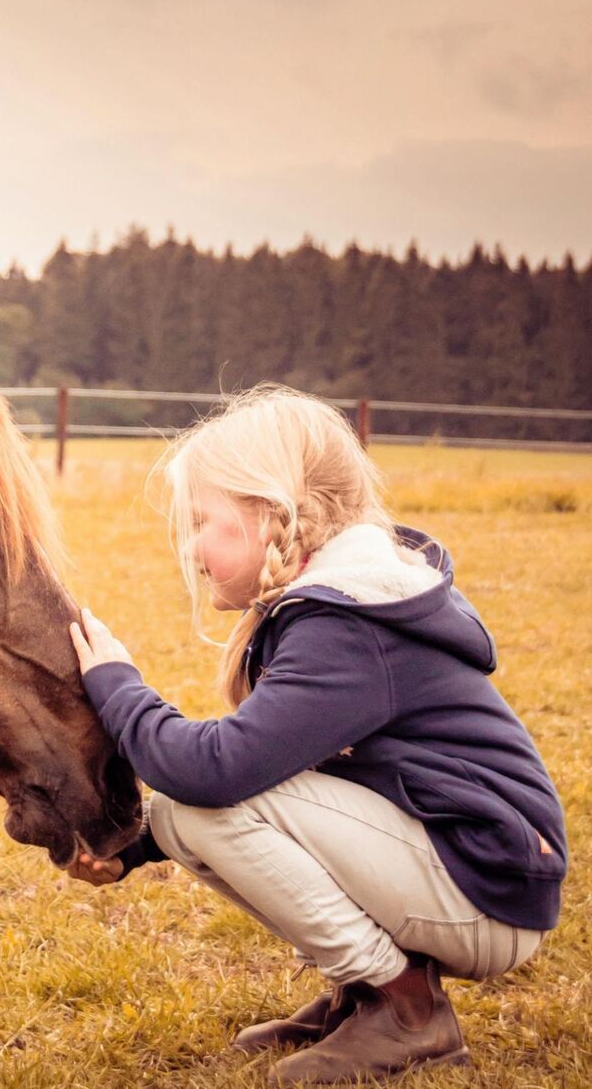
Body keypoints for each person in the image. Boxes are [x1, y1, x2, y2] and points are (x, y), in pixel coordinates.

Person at [66, 385, 567, 1086]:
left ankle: (406, 1009)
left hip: (486, 888)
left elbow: (217, 772)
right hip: (474, 873)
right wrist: (136, 846)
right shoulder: (337, 608)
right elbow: (288, 771)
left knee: (194, 806)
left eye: (204, 521)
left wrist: (118, 684)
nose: (192, 545)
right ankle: (364, 995)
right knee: (182, 816)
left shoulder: (348, 626)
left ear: (271, 519)